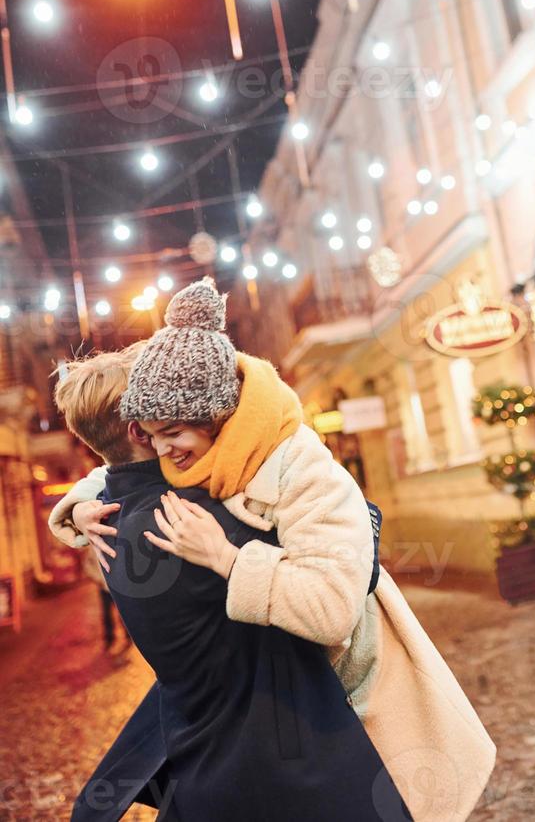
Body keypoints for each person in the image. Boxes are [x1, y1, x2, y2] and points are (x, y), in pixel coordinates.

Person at [50, 278, 496, 822]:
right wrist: (78, 506)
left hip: (355, 684)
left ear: (215, 416)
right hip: (289, 711)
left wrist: (228, 559)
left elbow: (331, 610)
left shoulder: (301, 467)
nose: (163, 448)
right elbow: (123, 468)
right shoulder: (197, 454)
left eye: (169, 432)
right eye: (150, 433)